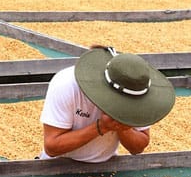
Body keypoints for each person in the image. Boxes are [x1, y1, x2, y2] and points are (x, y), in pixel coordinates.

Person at [40, 46, 175, 162]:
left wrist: (122, 126)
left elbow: (138, 147)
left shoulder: (136, 89)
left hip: (106, 166)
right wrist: (101, 127)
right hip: (58, 164)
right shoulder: (66, 85)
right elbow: (52, 147)